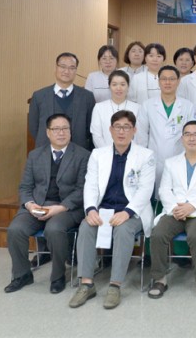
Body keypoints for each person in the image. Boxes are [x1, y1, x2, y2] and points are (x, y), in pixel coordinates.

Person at [69, 110, 156, 309]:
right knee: (86, 227)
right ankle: (86, 284)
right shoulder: (98, 154)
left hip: (132, 211)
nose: (121, 132)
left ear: (134, 130)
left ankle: (115, 286)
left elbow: (145, 190)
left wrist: (127, 212)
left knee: (123, 230)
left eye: (126, 127)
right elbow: (90, 184)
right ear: (110, 129)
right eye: (117, 127)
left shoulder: (146, 155)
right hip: (103, 209)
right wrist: (91, 209)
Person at [5, 114, 90, 294]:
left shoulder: (83, 155)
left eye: (65, 128)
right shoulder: (35, 155)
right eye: (56, 129)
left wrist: (60, 208)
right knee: (15, 229)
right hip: (37, 205)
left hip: (67, 207)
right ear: (48, 132)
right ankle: (22, 274)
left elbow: (82, 189)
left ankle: (58, 276)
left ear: (70, 131)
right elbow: (25, 186)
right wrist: (30, 205)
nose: (61, 133)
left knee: (54, 229)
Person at [148, 121, 196, 300]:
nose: (192, 138)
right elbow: (164, 190)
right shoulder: (171, 163)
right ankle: (160, 279)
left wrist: (192, 206)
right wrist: (175, 208)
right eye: (187, 134)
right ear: (182, 139)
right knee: (158, 234)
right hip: (176, 210)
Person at [135, 65, 195, 188]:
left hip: (180, 159)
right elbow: (141, 136)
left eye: (172, 79)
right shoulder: (147, 105)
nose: (168, 82)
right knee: (153, 192)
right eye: (164, 79)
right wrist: (142, 160)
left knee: (178, 192)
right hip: (153, 160)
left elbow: (192, 136)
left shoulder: (187, 106)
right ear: (159, 82)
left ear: (178, 81)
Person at [29, 52, 95, 150]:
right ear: (56, 68)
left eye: (72, 68)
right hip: (46, 151)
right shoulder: (39, 96)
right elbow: (33, 128)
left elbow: (91, 128)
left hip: (78, 152)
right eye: (63, 66)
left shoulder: (87, 97)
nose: (67, 71)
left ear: (76, 71)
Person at [90, 71, 140, 148]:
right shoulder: (99, 107)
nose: (118, 88)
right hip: (105, 152)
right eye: (114, 84)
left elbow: (139, 135)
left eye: (122, 84)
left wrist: (130, 151)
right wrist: (107, 152)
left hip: (132, 152)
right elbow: (97, 135)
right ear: (109, 87)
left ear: (128, 86)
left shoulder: (138, 108)